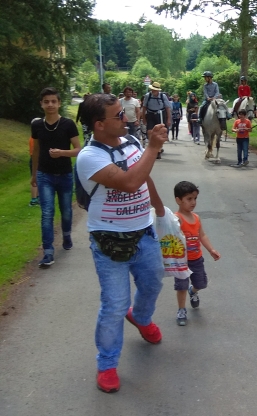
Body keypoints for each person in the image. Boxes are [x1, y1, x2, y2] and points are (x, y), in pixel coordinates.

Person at [76, 93, 168, 393]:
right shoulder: (90, 156)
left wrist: (160, 209)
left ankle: (140, 317)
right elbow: (129, 182)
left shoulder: (131, 142)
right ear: (99, 124)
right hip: (109, 242)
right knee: (114, 305)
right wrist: (154, 147)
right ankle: (106, 364)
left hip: (144, 232)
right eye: (118, 116)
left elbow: (143, 177)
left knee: (154, 283)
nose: (126, 118)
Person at [31, 87, 81, 268]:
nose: (50, 105)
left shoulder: (68, 124)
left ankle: (67, 234)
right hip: (45, 175)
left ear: (59, 103)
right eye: (46, 102)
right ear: (41, 104)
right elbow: (35, 150)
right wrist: (34, 174)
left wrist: (62, 153)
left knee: (66, 210)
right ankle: (48, 251)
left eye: (53, 101)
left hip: (65, 175)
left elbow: (78, 149)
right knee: (47, 213)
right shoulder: (37, 125)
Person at [173, 181, 221, 326]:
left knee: (201, 283)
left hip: (196, 259)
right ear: (178, 200)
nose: (193, 202)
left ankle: (193, 291)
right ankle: (181, 310)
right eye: (189, 199)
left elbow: (202, 235)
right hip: (181, 261)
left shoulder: (197, 218)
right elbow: (169, 238)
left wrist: (211, 249)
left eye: (195, 198)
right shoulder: (176, 219)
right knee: (181, 286)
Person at [141, 82, 171, 159]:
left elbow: (167, 108)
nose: (153, 91)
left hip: (160, 114)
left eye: (155, 90)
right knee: (149, 131)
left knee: (161, 132)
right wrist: (143, 117)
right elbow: (144, 107)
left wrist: (168, 119)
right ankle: (152, 147)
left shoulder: (162, 96)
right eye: (153, 89)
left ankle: (159, 149)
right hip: (150, 114)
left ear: (158, 90)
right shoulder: (148, 96)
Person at [28, 118, 41, 206]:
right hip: (35, 159)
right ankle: (34, 199)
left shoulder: (33, 137)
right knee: (35, 178)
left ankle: (39, 197)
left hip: (35, 158)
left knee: (40, 178)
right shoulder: (35, 138)